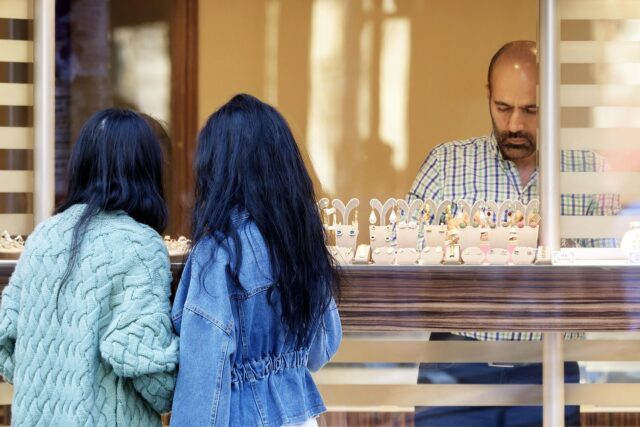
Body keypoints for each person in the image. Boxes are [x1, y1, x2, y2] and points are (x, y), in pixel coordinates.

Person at [407, 40, 619, 427]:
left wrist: (561, 256)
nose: (515, 124)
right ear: (488, 97)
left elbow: (608, 285)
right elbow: (405, 264)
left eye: (531, 110)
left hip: (548, 366)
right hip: (458, 365)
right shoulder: (445, 166)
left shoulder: (590, 172)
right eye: (503, 108)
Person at [170, 94, 342, 427]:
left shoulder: (219, 252)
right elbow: (323, 347)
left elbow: (204, 376)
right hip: (300, 417)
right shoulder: (300, 242)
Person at [0, 109, 179, 426]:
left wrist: (44, 380)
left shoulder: (43, 236)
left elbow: (4, 340)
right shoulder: (140, 246)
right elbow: (147, 367)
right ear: (146, 172)